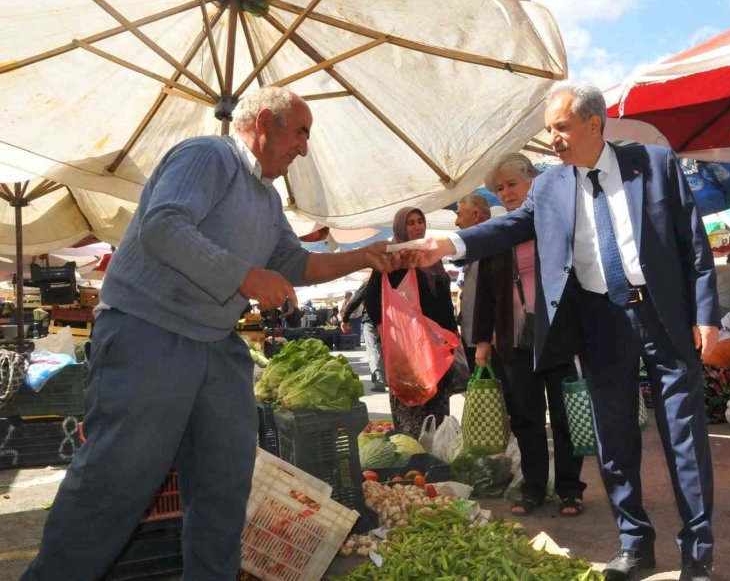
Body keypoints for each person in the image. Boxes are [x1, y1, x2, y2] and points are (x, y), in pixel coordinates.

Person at [23, 87, 400, 580]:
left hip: (216, 344)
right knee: (116, 483)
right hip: (149, 330)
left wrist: (364, 258)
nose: (305, 148)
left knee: (225, 485)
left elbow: (294, 263)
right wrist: (246, 276)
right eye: (301, 132)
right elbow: (162, 225)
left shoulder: (266, 198)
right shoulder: (209, 155)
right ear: (265, 122)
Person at [406, 80, 718, 581]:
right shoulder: (550, 185)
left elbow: (695, 246)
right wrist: (451, 244)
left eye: (561, 127)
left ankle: (698, 553)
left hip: (665, 317)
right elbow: (509, 227)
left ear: (594, 125)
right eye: (549, 129)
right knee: (613, 437)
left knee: (684, 436)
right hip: (600, 320)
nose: (553, 138)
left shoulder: (655, 164)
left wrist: (706, 316)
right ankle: (635, 543)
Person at [472, 153, 585, 518]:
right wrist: (483, 341)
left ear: (533, 180)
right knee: (526, 417)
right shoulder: (500, 234)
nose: (505, 193)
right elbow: (486, 291)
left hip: (559, 335)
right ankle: (535, 487)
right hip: (514, 338)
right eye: (499, 188)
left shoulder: (558, 222)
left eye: (511, 184)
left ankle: (570, 489)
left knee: (567, 415)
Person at [360, 207, 457, 436]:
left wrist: (452, 334)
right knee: (413, 411)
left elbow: (443, 302)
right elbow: (372, 298)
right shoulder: (395, 258)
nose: (417, 227)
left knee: (438, 413)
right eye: (410, 223)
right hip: (409, 351)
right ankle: (416, 464)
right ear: (400, 228)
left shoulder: (431, 257)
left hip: (438, 347)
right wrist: (391, 333)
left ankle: (438, 464)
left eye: (420, 221)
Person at [454, 193, 492, 371]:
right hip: (473, 338)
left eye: (459, 214)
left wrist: (486, 340)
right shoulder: (473, 249)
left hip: (487, 342)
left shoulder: (492, 246)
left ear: (476, 216)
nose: (456, 222)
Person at [342, 280, 387, 393]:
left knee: (373, 349)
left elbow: (356, 299)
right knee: (387, 350)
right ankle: (391, 379)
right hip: (391, 319)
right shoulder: (395, 277)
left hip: (371, 320)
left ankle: (379, 381)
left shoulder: (370, 280)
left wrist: (345, 319)